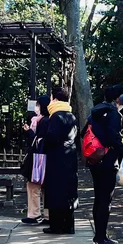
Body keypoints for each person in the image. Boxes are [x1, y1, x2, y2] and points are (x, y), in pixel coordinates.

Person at [87, 85, 123, 244]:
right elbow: (113, 140)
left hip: (95, 159)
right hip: (108, 161)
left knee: (98, 198)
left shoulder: (96, 112)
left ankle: (98, 236)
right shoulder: (113, 114)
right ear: (119, 98)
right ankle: (101, 238)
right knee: (105, 200)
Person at [41, 88, 79, 234]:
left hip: (57, 157)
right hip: (70, 156)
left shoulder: (55, 116)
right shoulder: (71, 115)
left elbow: (52, 138)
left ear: (55, 99)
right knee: (68, 191)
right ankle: (69, 225)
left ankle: (56, 226)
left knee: (55, 191)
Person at [21, 95, 51, 225]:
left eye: (38, 105)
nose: (36, 108)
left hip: (38, 159)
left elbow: (38, 141)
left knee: (33, 186)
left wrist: (29, 133)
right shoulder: (49, 120)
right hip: (48, 159)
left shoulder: (42, 121)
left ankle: (34, 214)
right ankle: (48, 215)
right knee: (46, 187)